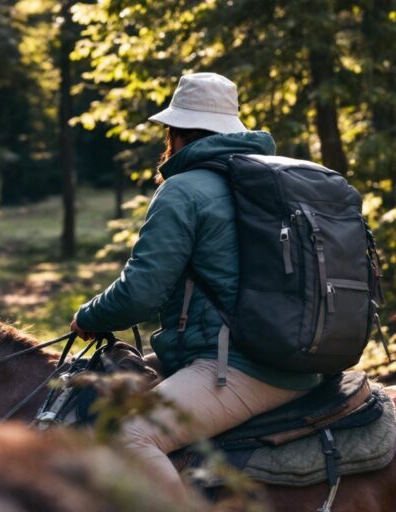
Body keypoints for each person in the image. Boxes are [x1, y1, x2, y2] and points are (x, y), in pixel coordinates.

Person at [70, 72, 323, 495]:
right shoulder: (275, 180)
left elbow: (140, 292)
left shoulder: (183, 190)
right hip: (297, 355)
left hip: (242, 367)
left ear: (176, 132)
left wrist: (87, 317)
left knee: (130, 436)